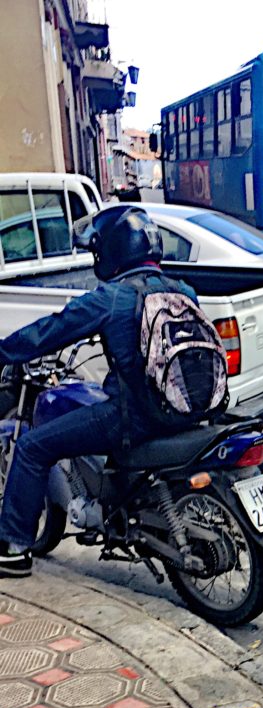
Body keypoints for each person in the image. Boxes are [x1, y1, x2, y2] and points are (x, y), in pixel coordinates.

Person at [0, 206, 199, 578]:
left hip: (134, 417)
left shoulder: (112, 298)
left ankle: (13, 549)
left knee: (31, 447)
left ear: (110, 250)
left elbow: (50, 331)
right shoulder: (182, 290)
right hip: (185, 408)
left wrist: (4, 351)